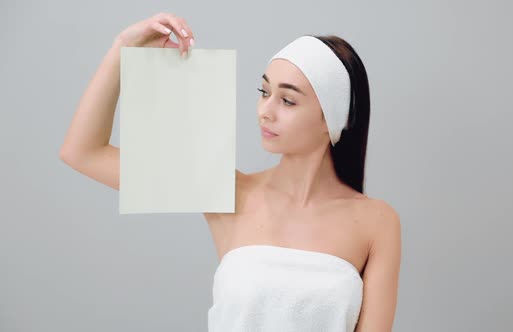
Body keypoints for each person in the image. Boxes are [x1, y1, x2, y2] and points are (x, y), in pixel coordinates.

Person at [59, 12, 401, 332]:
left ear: (335, 119)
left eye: (288, 100)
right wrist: (123, 47)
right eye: (264, 92)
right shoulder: (225, 190)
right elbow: (83, 152)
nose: (265, 111)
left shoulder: (377, 222)